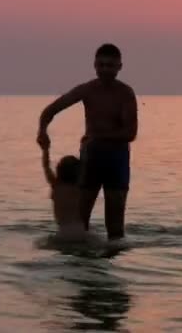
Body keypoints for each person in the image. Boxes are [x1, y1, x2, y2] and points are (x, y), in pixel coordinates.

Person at [36, 43, 138, 240]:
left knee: (115, 227)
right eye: (101, 65)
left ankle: (112, 265)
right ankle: (81, 267)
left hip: (117, 159)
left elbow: (130, 133)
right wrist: (42, 130)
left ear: (119, 67)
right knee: (80, 222)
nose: (105, 70)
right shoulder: (87, 90)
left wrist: (98, 137)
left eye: (110, 65)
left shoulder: (125, 93)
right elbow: (51, 110)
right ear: (94, 65)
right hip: (91, 159)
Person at [41, 148, 92, 242]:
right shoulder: (79, 188)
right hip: (80, 231)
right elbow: (86, 167)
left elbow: (46, 166)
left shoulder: (56, 186)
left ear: (59, 169)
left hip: (63, 232)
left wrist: (45, 149)